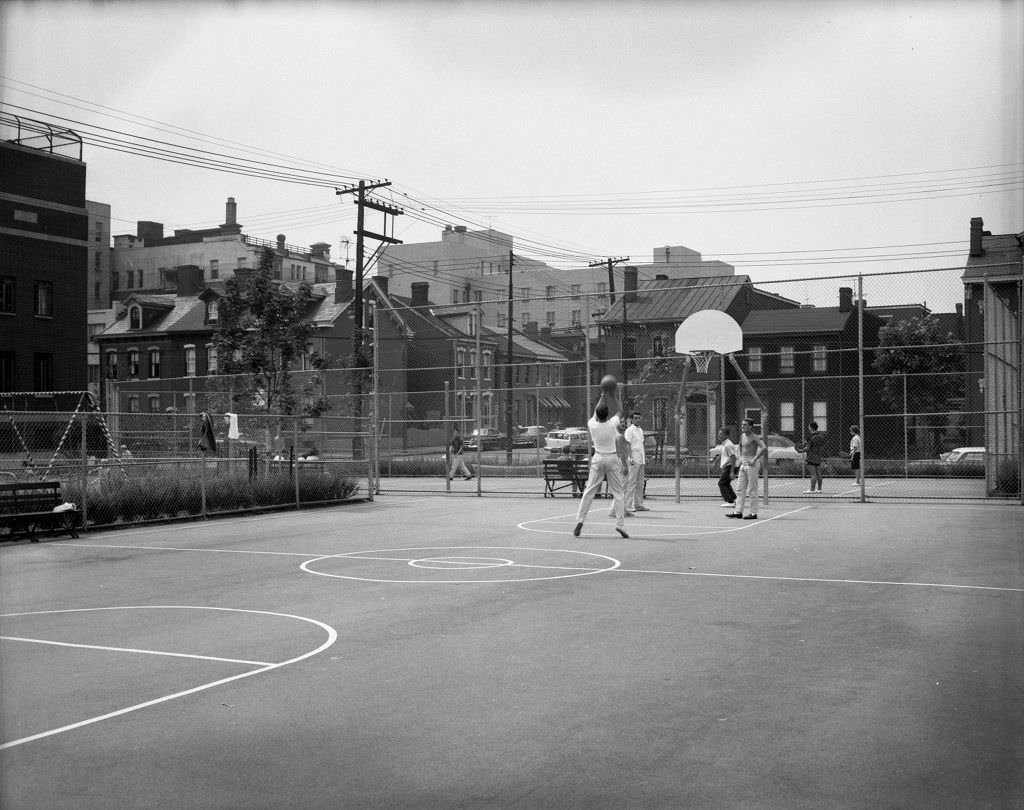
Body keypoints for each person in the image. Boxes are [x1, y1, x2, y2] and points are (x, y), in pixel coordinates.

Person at [574, 401, 629, 539]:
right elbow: (620, 411)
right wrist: (614, 396)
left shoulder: (592, 424)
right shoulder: (612, 424)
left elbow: (594, 413)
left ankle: (580, 520)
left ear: (597, 415)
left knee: (589, 490)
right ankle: (620, 525)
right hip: (611, 458)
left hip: (598, 457)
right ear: (607, 415)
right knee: (618, 493)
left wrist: (603, 395)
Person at [728, 418, 766, 520]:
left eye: (745, 425)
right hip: (743, 463)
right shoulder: (742, 436)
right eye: (742, 425)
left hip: (752, 463)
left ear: (750, 426)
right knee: (740, 489)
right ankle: (738, 511)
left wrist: (754, 459)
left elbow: (764, 447)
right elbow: (739, 447)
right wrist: (740, 458)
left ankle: (753, 513)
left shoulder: (754, 437)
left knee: (752, 489)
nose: (742, 426)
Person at [607, 420, 634, 517]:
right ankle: (613, 510)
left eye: (623, 422)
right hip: (620, 463)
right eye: (620, 422)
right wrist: (625, 465)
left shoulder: (617, 436)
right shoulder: (619, 437)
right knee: (621, 488)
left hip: (616, 463)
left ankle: (623, 509)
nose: (623, 423)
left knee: (623, 488)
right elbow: (621, 453)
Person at [624, 411, 649, 512]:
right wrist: (630, 458)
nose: (638, 420)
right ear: (632, 420)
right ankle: (629, 506)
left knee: (640, 484)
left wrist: (644, 457)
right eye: (636, 418)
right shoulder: (629, 430)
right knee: (631, 483)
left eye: (639, 418)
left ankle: (638, 504)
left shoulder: (640, 430)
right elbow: (627, 445)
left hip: (641, 460)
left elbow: (641, 445)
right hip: (633, 460)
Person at [710, 428, 738, 507]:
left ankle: (730, 501)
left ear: (727, 435)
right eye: (719, 434)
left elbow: (733, 457)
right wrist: (715, 462)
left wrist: (732, 471)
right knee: (726, 483)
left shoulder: (728, 445)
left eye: (721, 434)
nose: (719, 435)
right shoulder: (724, 444)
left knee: (721, 483)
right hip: (727, 466)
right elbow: (722, 454)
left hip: (729, 466)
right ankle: (734, 499)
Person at [797, 422, 826, 493]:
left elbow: (808, 448)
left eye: (809, 426)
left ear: (811, 428)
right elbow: (821, 446)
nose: (808, 427)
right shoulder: (821, 436)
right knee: (818, 473)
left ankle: (812, 489)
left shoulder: (810, 437)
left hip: (811, 456)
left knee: (813, 474)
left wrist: (801, 450)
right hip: (818, 456)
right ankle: (819, 489)